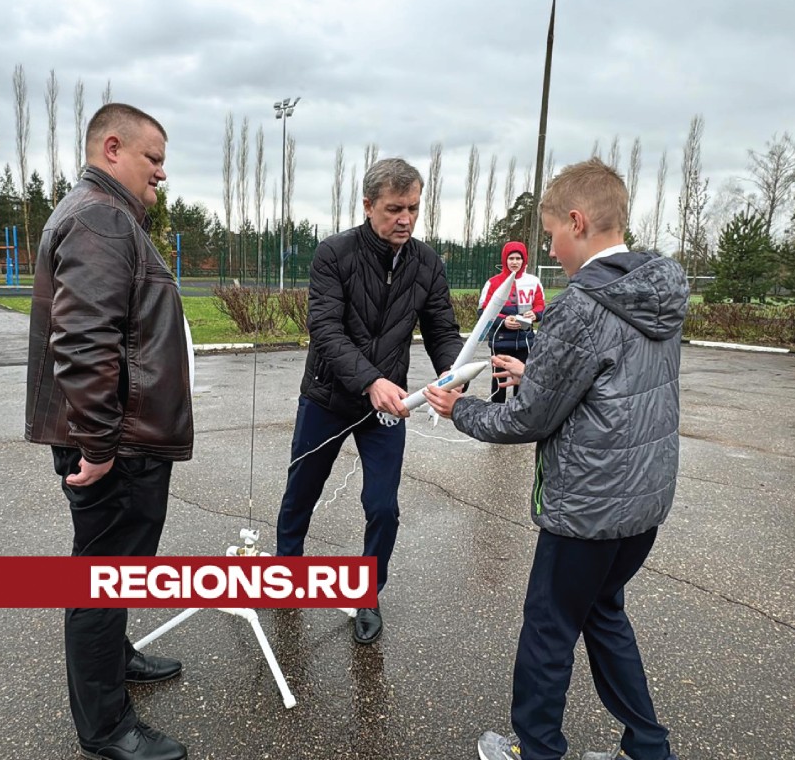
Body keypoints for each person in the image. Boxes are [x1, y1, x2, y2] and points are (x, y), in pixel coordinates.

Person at [426, 158, 686, 760]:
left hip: (589, 507)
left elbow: (527, 418)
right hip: (642, 503)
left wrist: (457, 408)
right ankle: (649, 748)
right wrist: (534, 369)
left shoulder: (582, 304)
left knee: (548, 631)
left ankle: (536, 750)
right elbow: (605, 379)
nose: (552, 249)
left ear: (578, 221)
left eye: (551, 236)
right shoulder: (656, 293)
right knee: (602, 613)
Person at [26, 103, 193, 760]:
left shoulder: (100, 212)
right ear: (113, 147)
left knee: (114, 570)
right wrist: (99, 444)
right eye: (154, 159)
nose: (162, 174)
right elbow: (85, 340)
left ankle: (116, 657)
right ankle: (105, 727)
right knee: (101, 577)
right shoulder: (100, 217)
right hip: (115, 445)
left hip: (116, 437)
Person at [276, 157, 464, 645]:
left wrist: (452, 370)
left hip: (388, 408)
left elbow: (442, 328)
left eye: (414, 208)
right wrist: (369, 381)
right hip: (327, 397)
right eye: (394, 208)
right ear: (368, 205)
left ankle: (367, 595)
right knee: (302, 494)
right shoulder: (333, 254)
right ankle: (285, 576)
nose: (405, 219)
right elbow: (327, 330)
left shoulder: (427, 263)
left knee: (383, 506)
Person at [477, 241, 545, 402]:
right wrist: (503, 321)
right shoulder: (493, 283)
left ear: (524, 261)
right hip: (500, 342)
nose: (514, 262)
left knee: (522, 381)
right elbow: (483, 311)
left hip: (525, 342)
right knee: (499, 381)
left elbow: (541, 306)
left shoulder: (534, 282)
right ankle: (495, 412)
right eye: (511, 258)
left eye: (518, 258)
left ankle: (519, 414)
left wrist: (535, 314)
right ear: (504, 260)